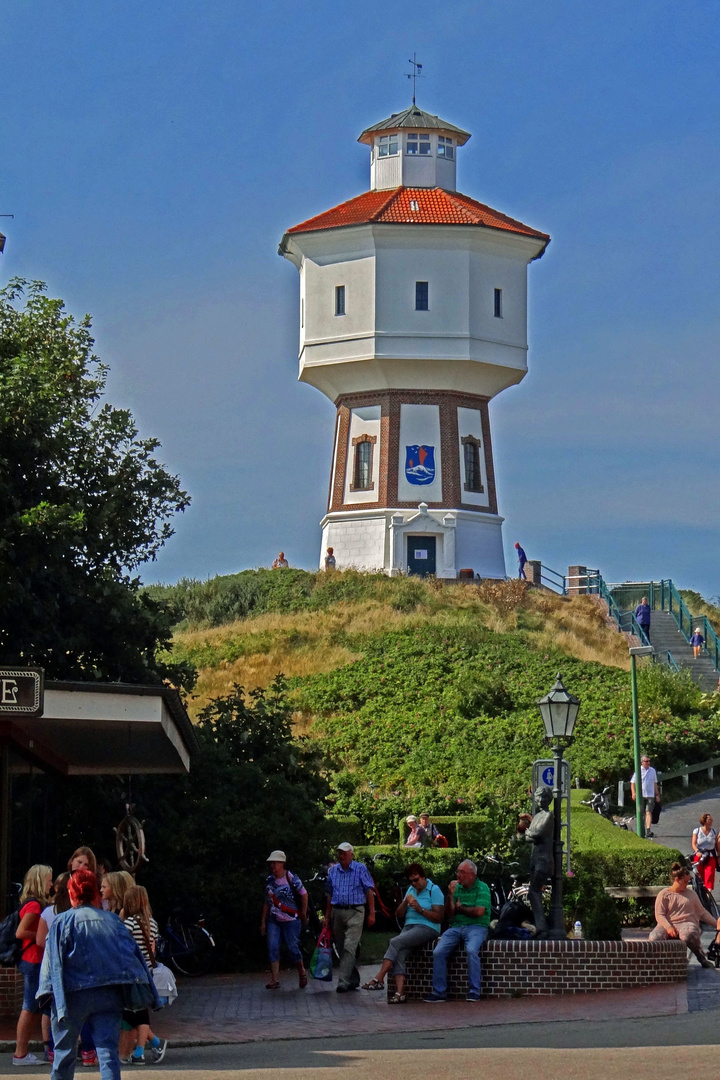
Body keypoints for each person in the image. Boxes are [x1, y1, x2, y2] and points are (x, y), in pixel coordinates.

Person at [38, 867, 159, 1080]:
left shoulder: (62, 922)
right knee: (108, 1055)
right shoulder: (113, 921)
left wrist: (46, 994)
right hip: (108, 995)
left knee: (64, 1055)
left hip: (72, 995)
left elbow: (52, 963)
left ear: (71, 893)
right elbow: (131, 956)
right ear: (95, 891)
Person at [362, 863, 443, 1002]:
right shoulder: (411, 890)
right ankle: (400, 993)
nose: (414, 883)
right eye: (411, 881)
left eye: (416, 880)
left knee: (394, 941)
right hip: (409, 926)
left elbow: (439, 917)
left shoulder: (434, 890)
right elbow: (398, 914)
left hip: (427, 927)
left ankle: (379, 978)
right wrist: (405, 902)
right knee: (400, 952)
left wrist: (420, 910)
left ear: (423, 877)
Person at [423, 859, 491, 1003]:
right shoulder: (457, 888)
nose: (458, 875)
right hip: (456, 927)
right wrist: (450, 896)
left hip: (477, 927)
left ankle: (474, 991)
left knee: (472, 950)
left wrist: (461, 908)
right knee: (438, 952)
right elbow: (449, 914)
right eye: (458, 872)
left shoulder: (482, 888)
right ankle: (439, 991)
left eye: (462, 872)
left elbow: (479, 912)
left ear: (471, 875)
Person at [120, 885, 167, 1065]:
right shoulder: (152, 922)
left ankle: (139, 1052)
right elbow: (153, 949)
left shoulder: (129, 923)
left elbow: (125, 948)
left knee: (137, 1013)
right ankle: (154, 1043)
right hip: (147, 972)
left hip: (133, 973)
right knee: (139, 1012)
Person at [13, 864, 53, 1067]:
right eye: (49, 880)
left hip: (31, 960)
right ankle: (20, 1053)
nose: (51, 884)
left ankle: (22, 1052)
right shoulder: (35, 905)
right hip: (32, 959)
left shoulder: (32, 904)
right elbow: (20, 932)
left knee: (31, 1007)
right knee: (29, 1007)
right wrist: (41, 936)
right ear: (40, 881)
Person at [325, 842, 375, 993]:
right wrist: (327, 917)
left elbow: (369, 891)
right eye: (339, 853)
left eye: (344, 853)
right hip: (337, 912)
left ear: (351, 855)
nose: (341, 856)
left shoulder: (360, 869)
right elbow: (329, 895)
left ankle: (343, 982)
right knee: (341, 947)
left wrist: (372, 913)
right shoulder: (333, 871)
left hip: (355, 911)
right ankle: (353, 978)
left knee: (349, 946)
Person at [649, 862, 720, 967]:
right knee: (654, 937)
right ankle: (660, 964)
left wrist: (716, 924)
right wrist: (668, 927)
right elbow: (659, 914)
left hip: (686, 922)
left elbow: (702, 912)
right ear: (677, 880)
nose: (687, 884)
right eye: (685, 882)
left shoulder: (691, 894)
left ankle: (702, 958)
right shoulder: (664, 894)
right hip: (667, 923)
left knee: (689, 934)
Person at [36, 872, 72, 1065]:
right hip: (72, 967)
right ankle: (85, 1050)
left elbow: (40, 941)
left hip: (52, 968)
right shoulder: (75, 911)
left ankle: (50, 1048)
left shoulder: (49, 912)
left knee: (50, 1008)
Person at [260, 850, 308, 991]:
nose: (272, 865)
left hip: (291, 919)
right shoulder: (269, 881)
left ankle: (302, 972)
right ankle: (275, 980)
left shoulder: (291, 877)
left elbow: (304, 894)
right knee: (273, 946)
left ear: (281, 863)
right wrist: (263, 921)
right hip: (274, 919)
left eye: (274, 863)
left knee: (293, 947)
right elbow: (267, 902)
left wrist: (303, 913)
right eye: (271, 863)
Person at [518, 788, 554, 936]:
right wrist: (530, 833)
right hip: (535, 858)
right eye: (537, 798)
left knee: (534, 891)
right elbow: (529, 836)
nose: (539, 801)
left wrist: (529, 832)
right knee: (533, 893)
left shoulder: (548, 815)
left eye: (542, 798)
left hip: (543, 859)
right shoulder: (538, 815)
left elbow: (537, 833)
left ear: (548, 799)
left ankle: (542, 926)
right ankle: (541, 925)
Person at [630, 754, 660, 838]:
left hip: (650, 794)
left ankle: (648, 830)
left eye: (649, 761)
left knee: (648, 812)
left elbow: (655, 783)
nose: (648, 763)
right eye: (646, 761)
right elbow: (632, 783)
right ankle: (641, 829)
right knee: (641, 812)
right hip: (641, 795)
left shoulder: (652, 770)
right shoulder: (638, 770)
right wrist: (633, 793)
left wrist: (657, 794)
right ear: (642, 762)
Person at [692, 813, 719, 891]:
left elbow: (717, 846)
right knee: (700, 876)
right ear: (704, 821)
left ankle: (708, 893)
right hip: (700, 855)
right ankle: (700, 893)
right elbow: (693, 844)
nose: (712, 821)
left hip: (710, 856)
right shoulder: (697, 831)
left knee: (709, 874)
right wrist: (697, 851)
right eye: (709, 819)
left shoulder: (714, 832)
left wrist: (719, 856)